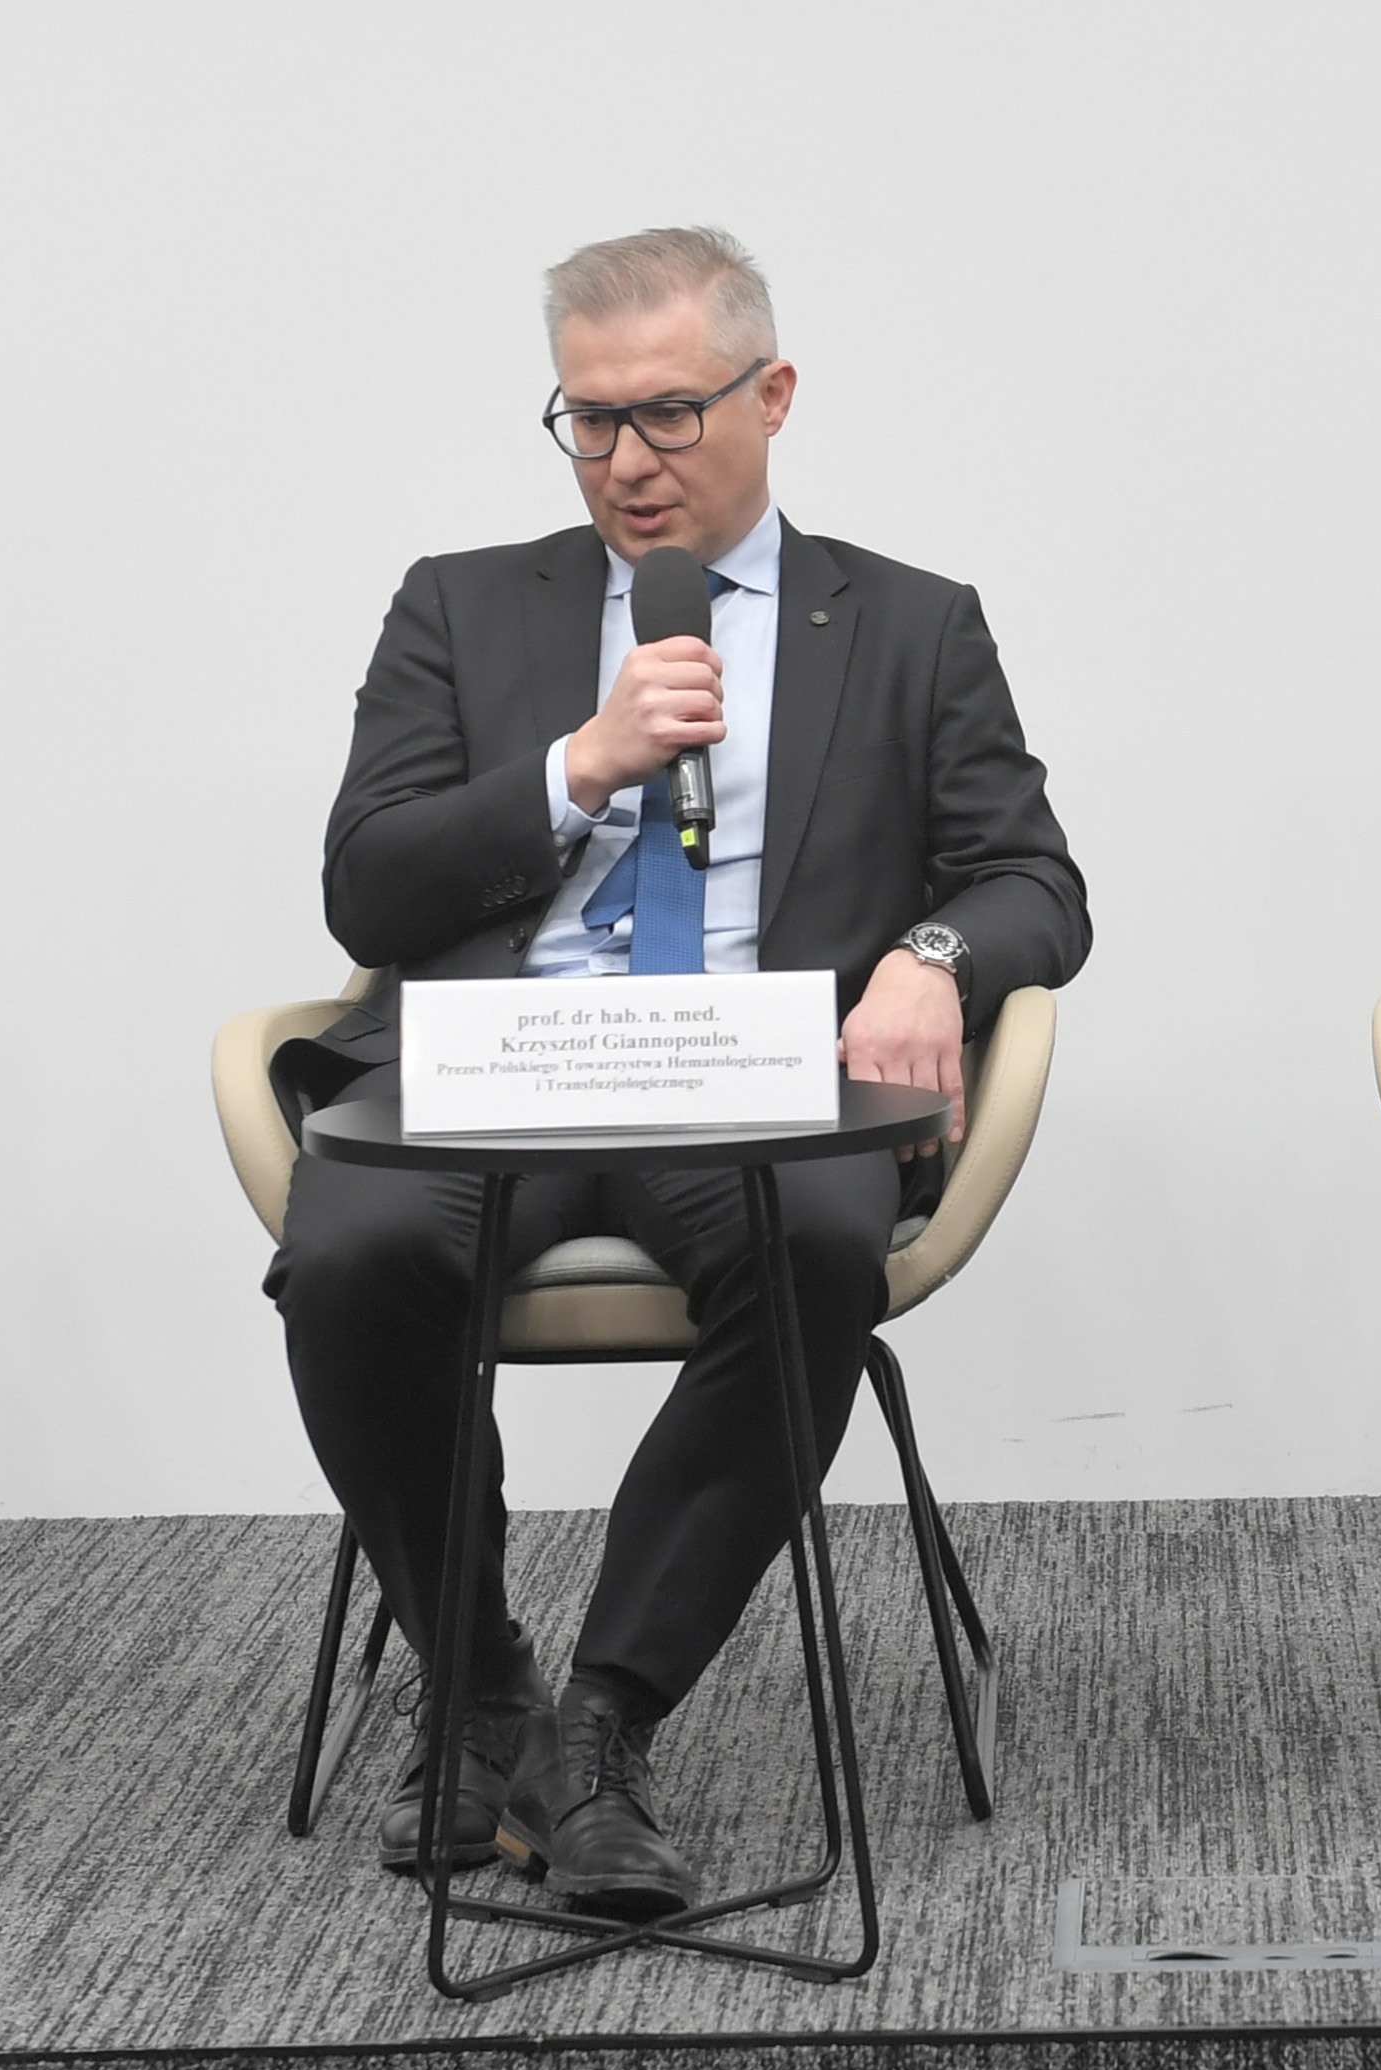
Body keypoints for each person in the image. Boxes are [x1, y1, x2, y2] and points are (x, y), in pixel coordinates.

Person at [269, 227, 1086, 1917]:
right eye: (589, 421)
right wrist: (578, 766)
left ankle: (601, 1723)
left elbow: (1033, 880)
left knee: (817, 1248)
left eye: (668, 415)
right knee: (348, 1257)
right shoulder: (461, 604)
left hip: (747, 1069)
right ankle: (475, 1679)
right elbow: (367, 888)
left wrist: (934, 961)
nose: (626, 462)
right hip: (499, 1064)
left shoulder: (911, 623)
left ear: (771, 396)